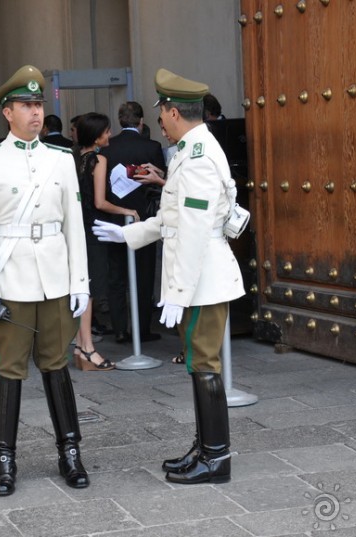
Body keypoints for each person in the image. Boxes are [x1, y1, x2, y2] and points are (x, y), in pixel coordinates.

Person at [93, 68, 245, 485]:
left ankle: (216, 458)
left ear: (175, 112)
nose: (158, 119)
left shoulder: (196, 157)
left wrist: (177, 293)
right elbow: (171, 220)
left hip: (202, 279)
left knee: (205, 365)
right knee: (199, 365)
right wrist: (128, 234)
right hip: (198, 277)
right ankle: (204, 447)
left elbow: (194, 231)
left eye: (162, 112)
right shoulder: (191, 149)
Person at [0, 64, 90, 496]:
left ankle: (70, 451)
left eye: (39, 105)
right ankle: (4, 460)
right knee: (10, 370)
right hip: (10, 280)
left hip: (54, 278)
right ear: (7, 112)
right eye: (26, 105)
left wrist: (80, 281)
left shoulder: (61, 159)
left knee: (57, 365)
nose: (35, 113)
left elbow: (74, 222)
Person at [99, 101, 166, 344]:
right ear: (141, 121)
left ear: (119, 121)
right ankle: (142, 329)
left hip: (114, 218)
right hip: (144, 220)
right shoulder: (152, 147)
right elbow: (159, 184)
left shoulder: (107, 148)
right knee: (144, 275)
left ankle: (119, 329)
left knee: (116, 276)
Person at [72, 113, 116, 371]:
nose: (109, 135)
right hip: (94, 230)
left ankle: (80, 345)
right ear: (97, 135)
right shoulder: (99, 160)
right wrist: (127, 211)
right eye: (107, 131)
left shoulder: (74, 160)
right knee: (88, 292)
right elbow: (100, 202)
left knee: (81, 286)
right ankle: (88, 348)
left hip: (78, 230)